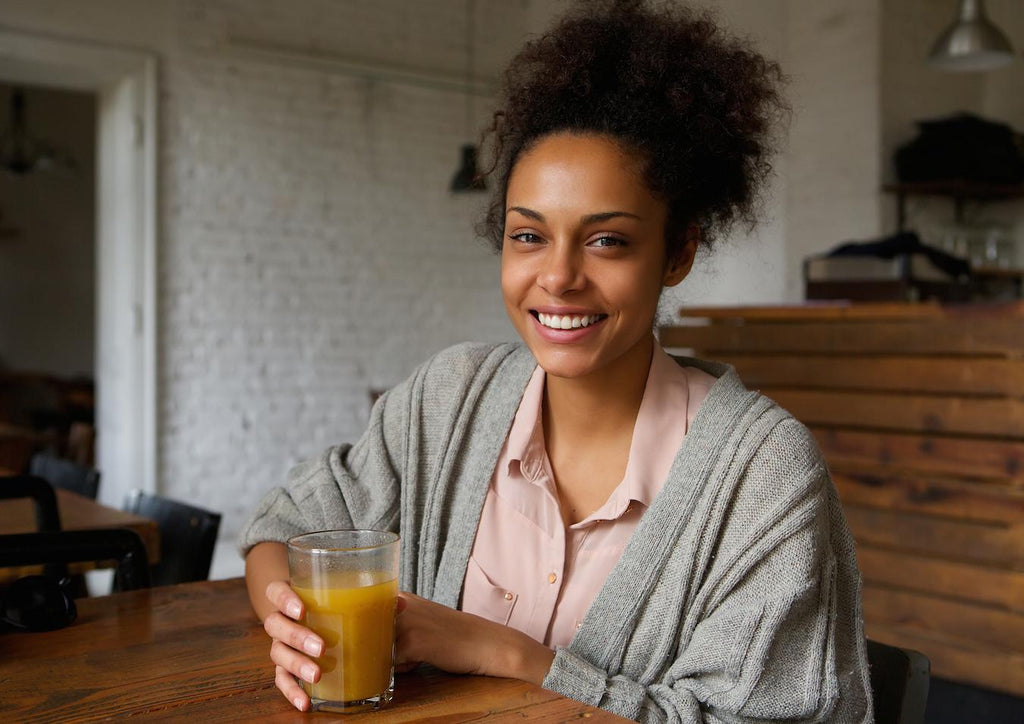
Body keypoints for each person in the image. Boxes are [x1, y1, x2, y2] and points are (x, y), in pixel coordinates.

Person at [239, 1, 873, 720]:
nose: (559, 277)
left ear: (678, 253)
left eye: (607, 241)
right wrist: (289, 621)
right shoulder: (446, 400)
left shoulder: (762, 475)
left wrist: (504, 654)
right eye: (528, 236)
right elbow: (285, 527)